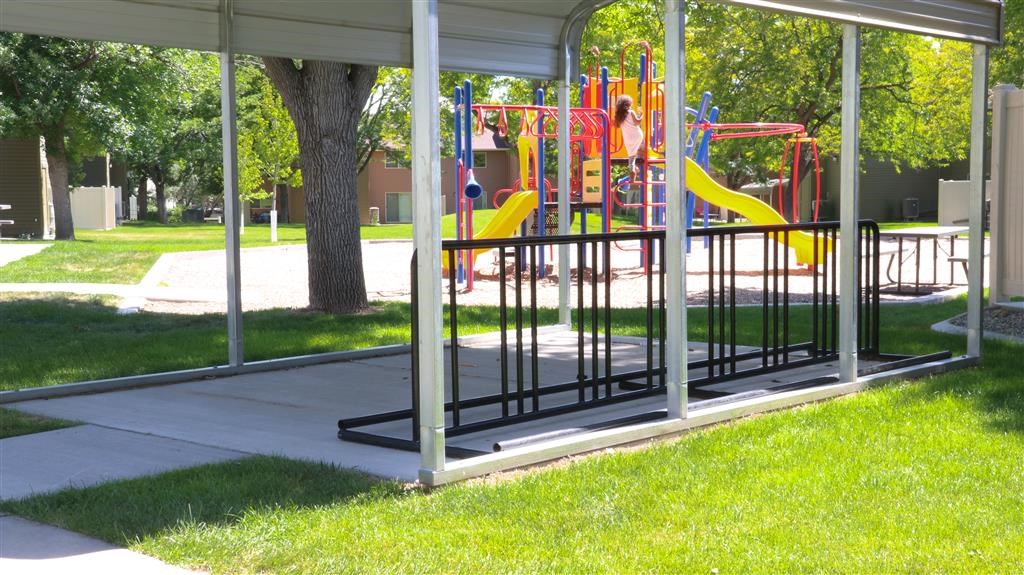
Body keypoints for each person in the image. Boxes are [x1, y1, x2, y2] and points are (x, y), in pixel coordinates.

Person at [614, 94, 644, 177]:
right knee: (642, 145)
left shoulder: (619, 116)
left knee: (631, 157)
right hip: (637, 135)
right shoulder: (630, 112)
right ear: (628, 104)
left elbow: (616, 125)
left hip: (627, 138)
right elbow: (637, 122)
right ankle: (642, 153)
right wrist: (641, 115)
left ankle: (632, 169)